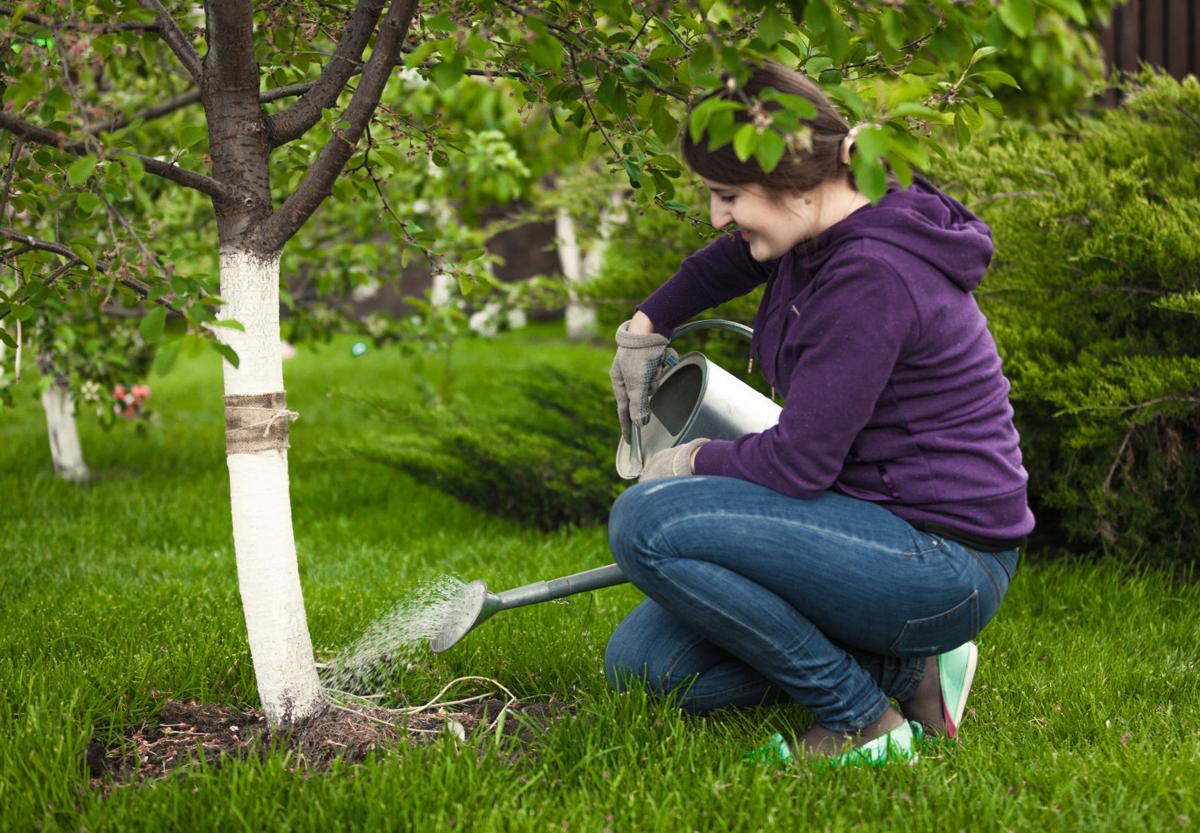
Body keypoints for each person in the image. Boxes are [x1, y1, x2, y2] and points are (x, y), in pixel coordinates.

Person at [604, 60, 1034, 768]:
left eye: (727, 195)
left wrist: (684, 463)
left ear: (790, 181)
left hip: (940, 560)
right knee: (648, 667)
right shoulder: (830, 217)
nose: (717, 215)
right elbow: (731, 260)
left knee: (647, 523)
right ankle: (911, 670)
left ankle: (863, 720)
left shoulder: (872, 275)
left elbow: (797, 463)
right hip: (867, 525)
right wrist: (649, 323)